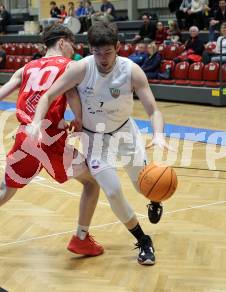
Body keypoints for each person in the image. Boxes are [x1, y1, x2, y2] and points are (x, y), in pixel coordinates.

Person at [0, 24, 103, 264]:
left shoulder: (26, 67)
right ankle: (81, 237)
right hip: (51, 141)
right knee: (92, 183)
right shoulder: (70, 66)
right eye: (72, 44)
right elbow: (71, 96)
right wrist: (79, 121)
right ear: (62, 42)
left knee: (4, 191)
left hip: (25, 137)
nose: (74, 49)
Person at [30, 22, 169, 265]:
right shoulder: (80, 68)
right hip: (95, 138)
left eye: (108, 52)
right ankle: (143, 240)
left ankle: (154, 198)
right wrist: (34, 122)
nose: (103, 59)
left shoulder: (132, 70)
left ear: (118, 47)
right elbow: (48, 95)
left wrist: (158, 134)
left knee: (143, 186)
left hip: (125, 133)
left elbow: (153, 110)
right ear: (90, 50)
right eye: (97, 52)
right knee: (113, 191)